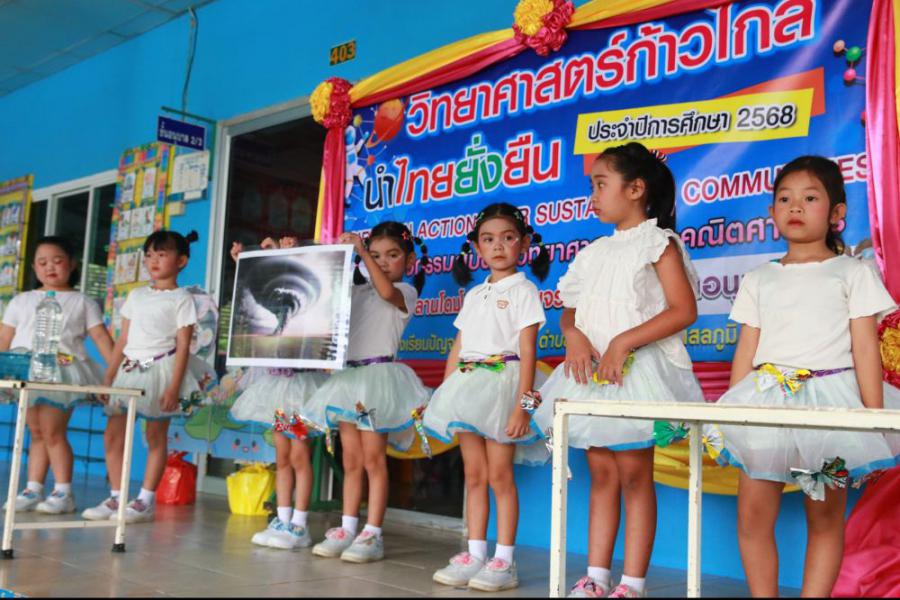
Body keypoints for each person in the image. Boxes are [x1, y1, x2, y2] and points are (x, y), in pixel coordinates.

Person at [708, 156, 899, 597]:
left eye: (810, 198)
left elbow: (865, 349)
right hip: (767, 402)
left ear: (837, 212)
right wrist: (733, 418)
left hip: (829, 407)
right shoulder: (759, 278)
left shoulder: (853, 272)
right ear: (772, 211)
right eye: (785, 199)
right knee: (752, 516)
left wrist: (873, 420)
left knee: (824, 518)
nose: (795, 206)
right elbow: (746, 350)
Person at [532, 142, 704, 598]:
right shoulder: (593, 253)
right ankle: (596, 577)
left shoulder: (658, 242)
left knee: (633, 475)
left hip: (635, 374)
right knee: (602, 475)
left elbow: (683, 310)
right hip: (593, 376)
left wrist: (623, 341)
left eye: (600, 184)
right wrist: (572, 334)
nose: (593, 195)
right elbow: (570, 310)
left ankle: (632, 583)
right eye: (592, 185)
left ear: (635, 189)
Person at [426, 202, 549, 592]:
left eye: (508, 238)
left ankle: (504, 561)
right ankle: (475, 555)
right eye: (489, 239)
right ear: (477, 247)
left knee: (500, 475)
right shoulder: (475, 293)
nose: (498, 246)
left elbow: (528, 353)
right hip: (468, 387)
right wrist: (444, 397)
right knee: (474, 475)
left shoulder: (524, 290)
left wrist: (523, 409)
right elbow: (458, 348)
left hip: (503, 389)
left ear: (524, 244)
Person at [307, 221, 430, 563]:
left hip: (377, 381)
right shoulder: (357, 292)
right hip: (349, 381)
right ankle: (348, 527)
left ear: (408, 261)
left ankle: (372, 533)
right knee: (351, 459)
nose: (383, 262)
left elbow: (386, 293)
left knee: (374, 459)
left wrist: (362, 252)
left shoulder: (405, 292)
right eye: (376, 255)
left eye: (392, 255)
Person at [82, 230, 215, 524]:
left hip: (161, 371)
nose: (153, 261)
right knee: (113, 434)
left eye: (162, 255)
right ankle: (116, 497)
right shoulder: (137, 295)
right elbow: (123, 339)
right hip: (129, 371)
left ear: (181, 261)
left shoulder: (182, 299)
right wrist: (108, 377)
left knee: (155, 435)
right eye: (149, 255)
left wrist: (173, 387)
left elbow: (183, 346)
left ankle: (144, 500)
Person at [0, 236, 114, 514]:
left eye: (57, 260)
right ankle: (33, 489)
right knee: (36, 431)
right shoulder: (21, 300)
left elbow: (101, 338)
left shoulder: (82, 301)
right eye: (42, 262)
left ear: (72, 264)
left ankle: (63, 492)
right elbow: (5, 337)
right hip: (26, 370)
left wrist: (115, 373)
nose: (49, 267)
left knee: (53, 431)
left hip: (62, 371)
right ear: (34, 268)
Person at [228, 235, 328, 550]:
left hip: (299, 389)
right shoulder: (275, 307)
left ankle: (299, 524)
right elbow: (257, 284)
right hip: (277, 390)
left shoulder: (313, 305)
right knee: (282, 456)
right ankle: (283, 519)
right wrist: (248, 259)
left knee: (299, 456)